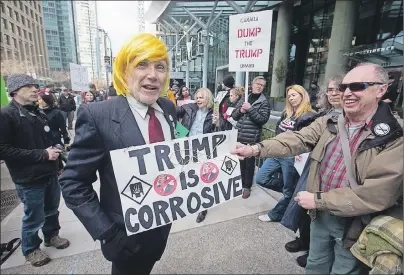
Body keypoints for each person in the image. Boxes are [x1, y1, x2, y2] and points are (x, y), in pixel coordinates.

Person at [232, 63, 403, 275]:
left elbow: (377, 194)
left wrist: (318, 200)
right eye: (344, 87)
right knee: (315, 265)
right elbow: (297, 139)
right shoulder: (330, 121)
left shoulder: (395, 135)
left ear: (381, 89)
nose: (347, 93)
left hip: (357, 222)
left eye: (358, 86)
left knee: (344, 271)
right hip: (320, 215)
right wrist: (255, 148)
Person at [58, 33, 177, 275]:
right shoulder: (97, 115)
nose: (153, 74)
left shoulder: (168, 108)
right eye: (142, 64)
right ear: (124, 72)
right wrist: (108, 232)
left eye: (160, 67)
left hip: (162, 224)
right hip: (124, 236)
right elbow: (73, 183)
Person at [0, 74, 70, 267]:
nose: (35, 89)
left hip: (49, 173)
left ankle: (51, 236)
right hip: (28, 178)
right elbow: (3, 149)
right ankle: (30, 249)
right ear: (15, 90)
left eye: (35, 86)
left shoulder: (38, 113)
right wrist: (42, 154)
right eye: (29, 86)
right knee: (34, 216)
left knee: (51, 210)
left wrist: (57, 161)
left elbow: (47, 142)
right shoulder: (6, 114)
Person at [282, 75, 344, 268]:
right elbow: (302, 138)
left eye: (339, 88)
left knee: (320, 213)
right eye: (330, 89)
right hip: (312, 165)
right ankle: (305, 242)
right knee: (304, 207)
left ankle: (313, 250)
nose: (334, 93)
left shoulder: (354, 116)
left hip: (334, 175)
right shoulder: (325, 114)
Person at [256, 85, 316, 223]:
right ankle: (292, 190)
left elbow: (309, 138)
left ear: (302, 95)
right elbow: (278, 129)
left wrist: (301, 152)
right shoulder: (286, 113)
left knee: (289, 191)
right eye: (289, 96)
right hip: (277, 153)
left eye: (294, 95)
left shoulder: (310, 116)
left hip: (292, 156)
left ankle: (275, 214)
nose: (291, 98)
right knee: (260, 178)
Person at [176, 88, 215, 223]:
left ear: (208, 99)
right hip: (187, 148)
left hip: (203, 151)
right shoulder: (188, 108)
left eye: (201, 97)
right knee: (188, 176)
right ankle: (191, 199)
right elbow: (173, 112)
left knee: (203, 179)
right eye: (197, 97)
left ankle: (203, 207)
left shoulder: (214, 114)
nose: (198, 100)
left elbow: (221, 134)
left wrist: (218, 124)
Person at [231, 76, 271, 199]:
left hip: (251, 139)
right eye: (257, 83)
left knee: (249, 165)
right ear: (252, 84)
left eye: (262, 85)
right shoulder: (244, 97)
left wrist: (250, 109)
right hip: (239, 136)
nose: (259, 86)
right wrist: (241, 111)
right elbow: (234, 115)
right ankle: (238, 185)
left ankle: (247, 187)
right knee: (238, 163)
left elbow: (262, 120)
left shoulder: (264, 102)